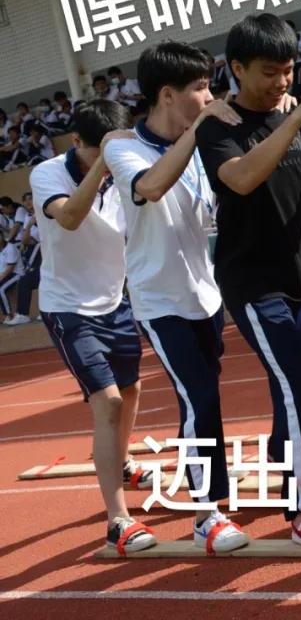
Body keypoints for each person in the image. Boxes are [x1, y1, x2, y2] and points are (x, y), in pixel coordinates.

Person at [195, 13, 301, 550]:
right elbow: (241, 178)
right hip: (252, 281)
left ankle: (287, 458)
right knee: (297, 380)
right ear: (237, 68)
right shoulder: (218, 126)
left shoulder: (298, 114)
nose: (282, 82)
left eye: (289, 70)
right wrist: (299, 115)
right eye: (269, 72)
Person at [103, 41, 251, 554]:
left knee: (205, 398)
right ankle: (207, 513)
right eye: (200, 88)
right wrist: (200, 128)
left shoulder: (201, 141)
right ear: (167, 94)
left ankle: (211, 492)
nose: (209, 97)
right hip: (159, 300)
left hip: (206, 296)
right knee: (198, 396)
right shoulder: (123, 147)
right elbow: (151, 187)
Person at [30, 100, 156, 553]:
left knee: (132, 390)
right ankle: (118, 520)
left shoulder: (127, 172)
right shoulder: (47, 174)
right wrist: (104, 163)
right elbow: (69, 217)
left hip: (115, 302)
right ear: (76, 141)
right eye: (97, 150)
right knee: (108, 402)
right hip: (68, 308)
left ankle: (121, 461)